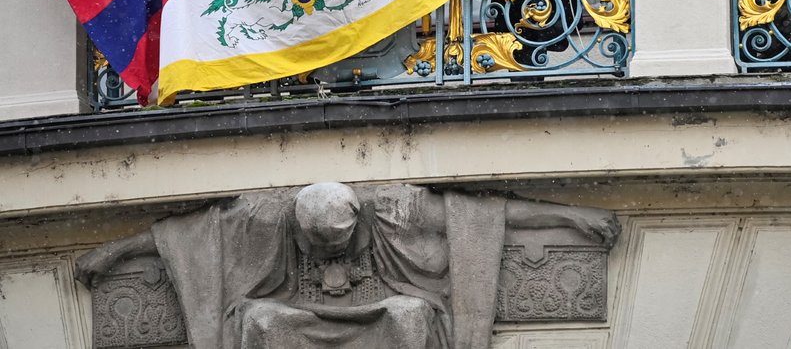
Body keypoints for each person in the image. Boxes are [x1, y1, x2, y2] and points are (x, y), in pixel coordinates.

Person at [75, 182, 620, 348]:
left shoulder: (396, 210)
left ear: (357, 219)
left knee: (409, 315)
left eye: (339, 243)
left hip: (379, 312)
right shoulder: (266, 218)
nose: (331, 256)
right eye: (320, 246)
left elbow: (478, 214)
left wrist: (569, 216)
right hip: (300, 318)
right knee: (261, 322)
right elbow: (192, 235)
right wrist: (114, 251)